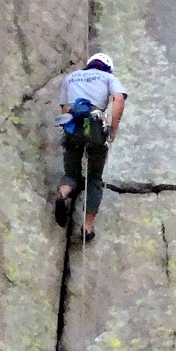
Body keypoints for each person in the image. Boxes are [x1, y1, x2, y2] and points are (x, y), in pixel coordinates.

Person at [54, 52, 126, 241]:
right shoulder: (108, 77)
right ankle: (87, 228)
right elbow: (119, 99)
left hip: (73, 125)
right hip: (94, 127)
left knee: (71, 174)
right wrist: (113, 129)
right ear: (108, 67)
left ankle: (63, 195)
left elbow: (64, 108)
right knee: (94, 178)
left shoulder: (71, 77)